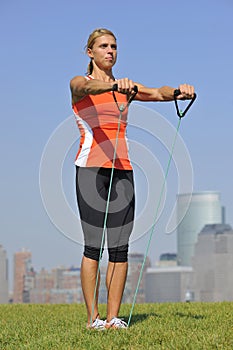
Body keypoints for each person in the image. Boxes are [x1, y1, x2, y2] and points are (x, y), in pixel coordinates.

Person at [70, 28, 195, 330]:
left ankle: (113, 318)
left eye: (114, 46)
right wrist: (112, 87)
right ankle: (93, 319)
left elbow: (156, 92)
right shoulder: (81, 84)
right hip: (90, 170)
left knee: (120, 248)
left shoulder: (126, 86)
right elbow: (83, 88)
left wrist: (178, 92)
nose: (110, 51)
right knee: (93, 247)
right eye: (103, 46)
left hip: (123, 170)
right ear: (90, 52)